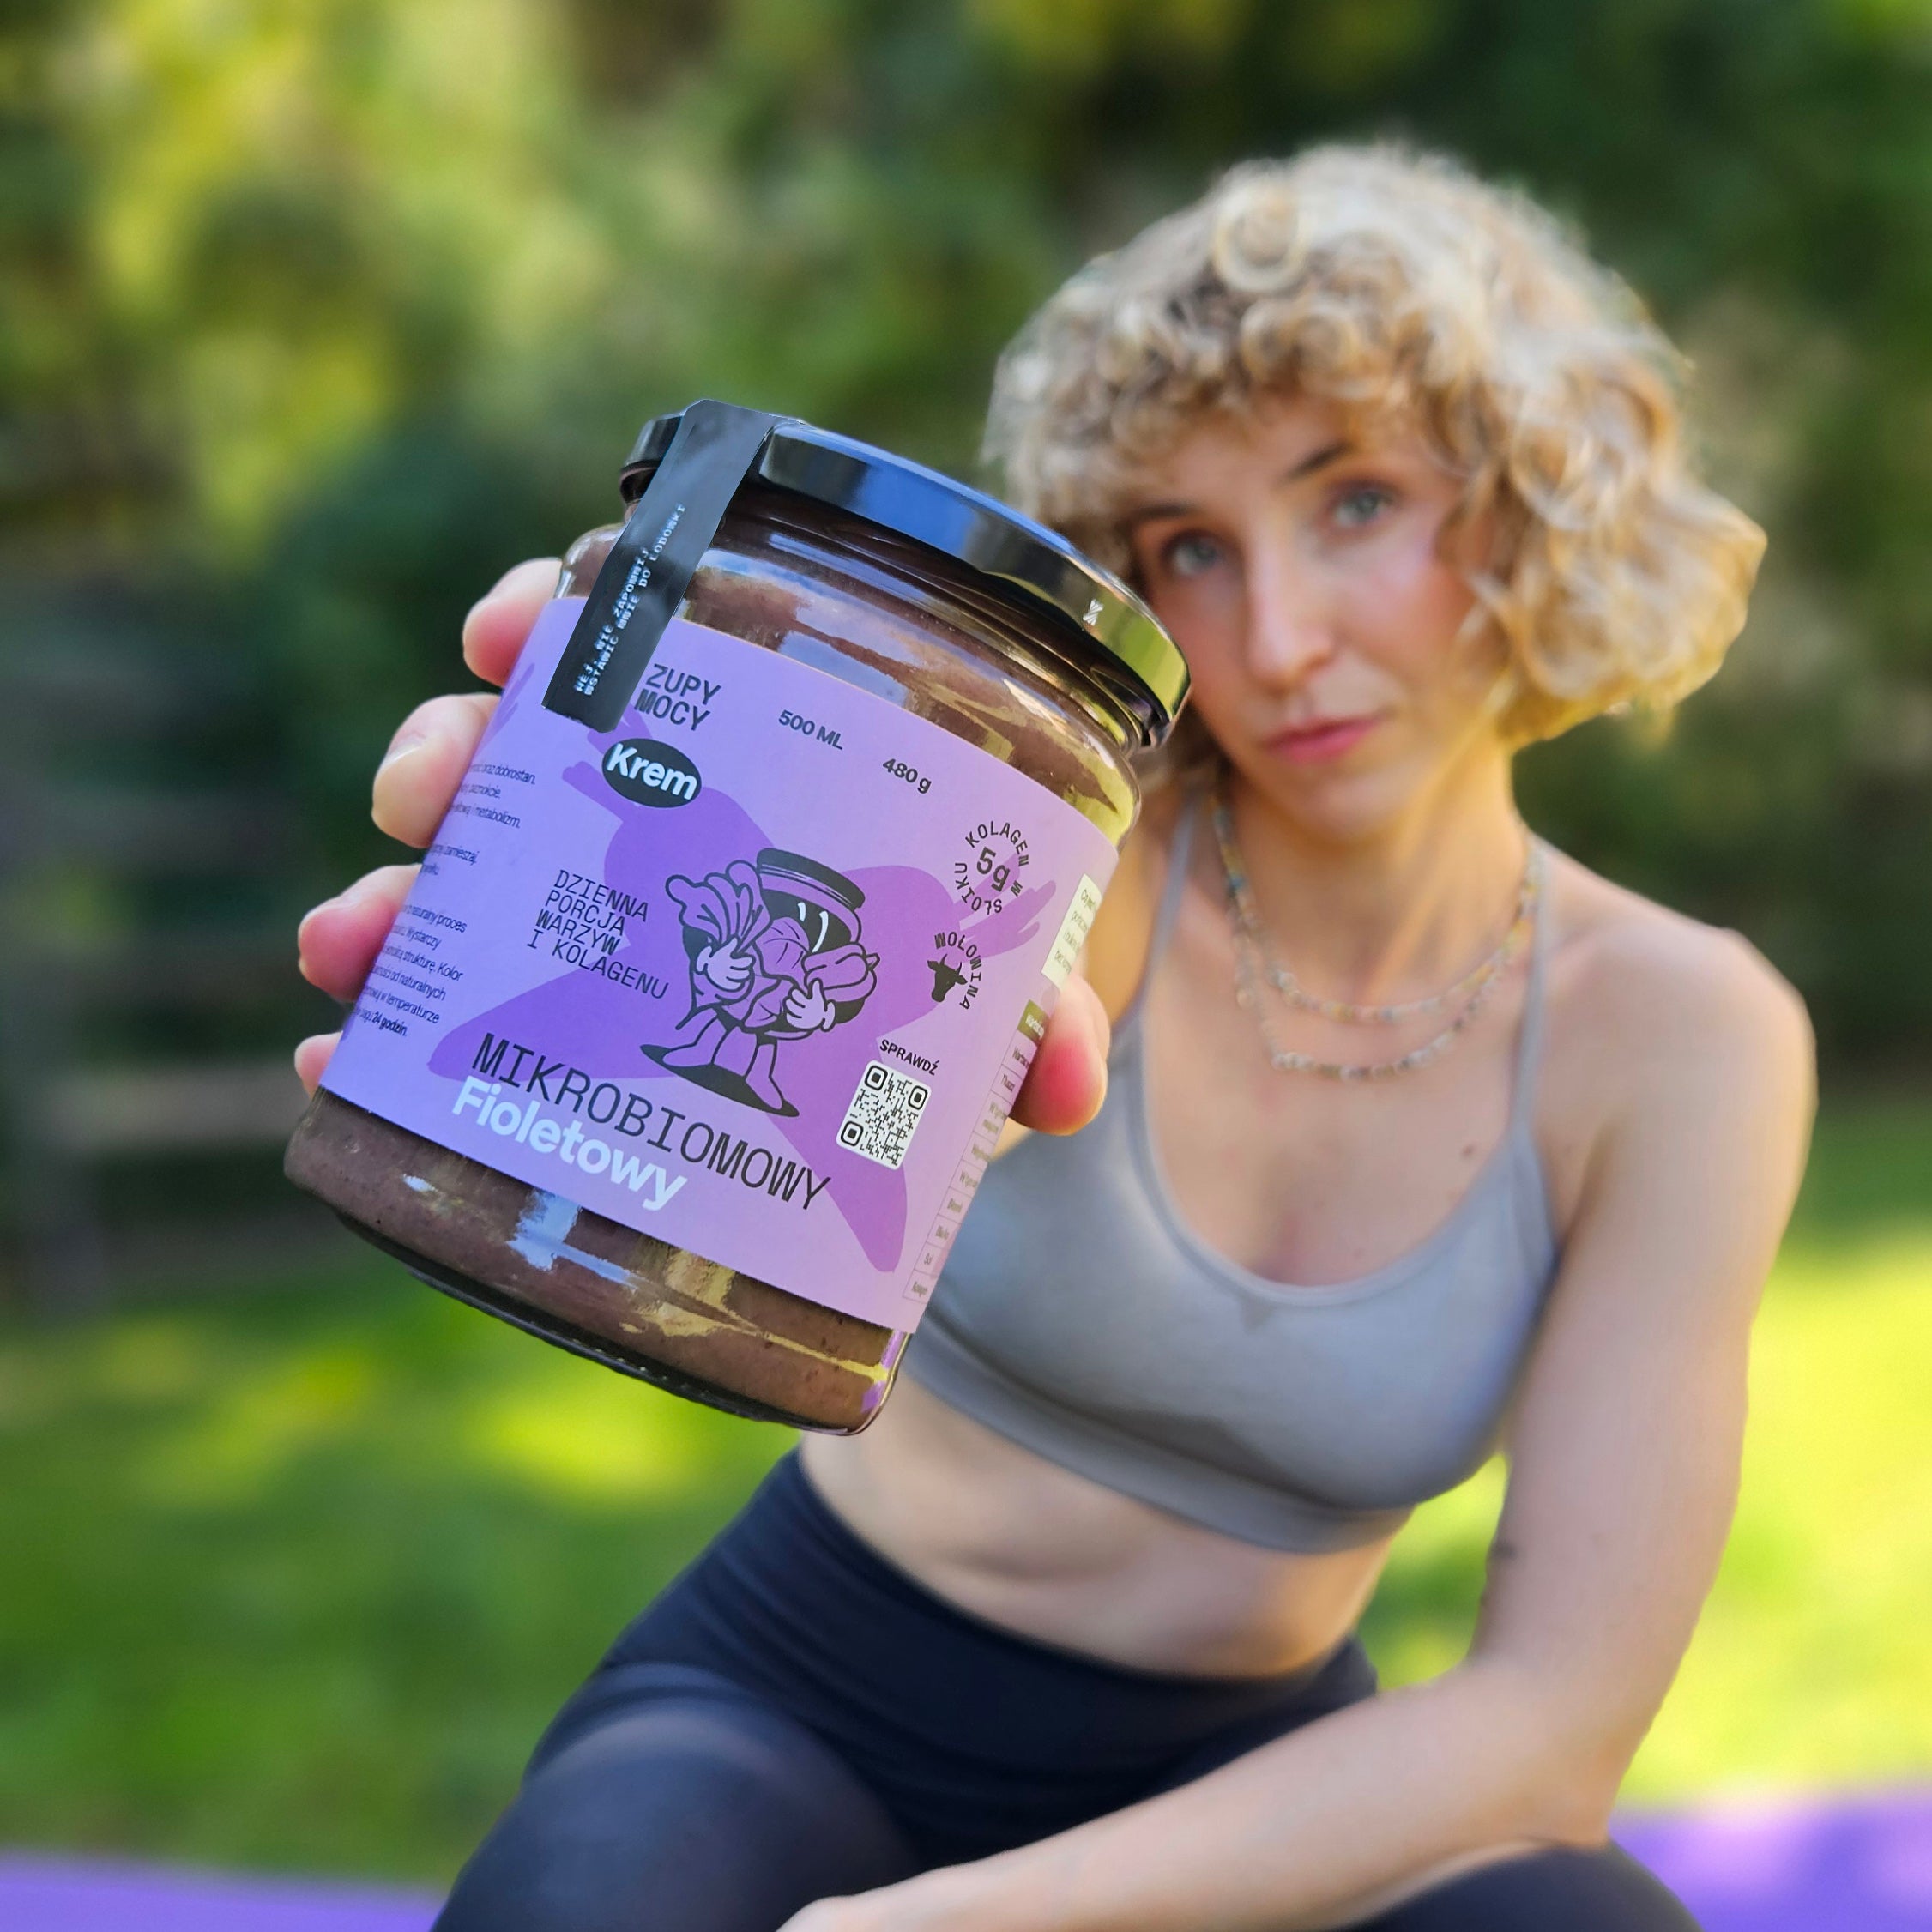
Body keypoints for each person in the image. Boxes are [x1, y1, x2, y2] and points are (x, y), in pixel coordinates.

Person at [294, 146, 1814, 1930]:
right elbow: (788, 888)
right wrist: (593, 840)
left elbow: (1550, 1729)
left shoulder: (1685, 1037)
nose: (1279, 640)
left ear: (1531, 505)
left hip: (1266, 1789)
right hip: (795, 1704)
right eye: (1191, 550)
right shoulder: (1034, 854)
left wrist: (939, 1926)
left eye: (1354, 503)